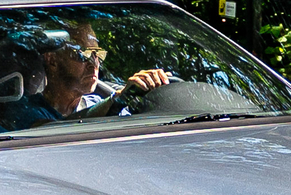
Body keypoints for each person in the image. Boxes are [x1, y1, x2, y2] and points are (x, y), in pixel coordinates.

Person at [9, 23, 170, 126]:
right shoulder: (25, 110)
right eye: (83, 55)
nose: (94, 64)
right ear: (52, 60)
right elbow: (54, 131)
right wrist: (117, 99)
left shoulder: (97, 102)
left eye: (98, 54)